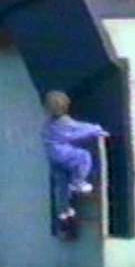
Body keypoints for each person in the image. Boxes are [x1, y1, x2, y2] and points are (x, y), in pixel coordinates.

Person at [42, 90, 109, 221]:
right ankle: (78, 182)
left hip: (52, 155)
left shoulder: (47, 123)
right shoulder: (64, 122)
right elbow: (79, 130)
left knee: (61, 183)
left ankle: (63, 211)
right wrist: (97, 130)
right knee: (83, 156)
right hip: (61, 153)